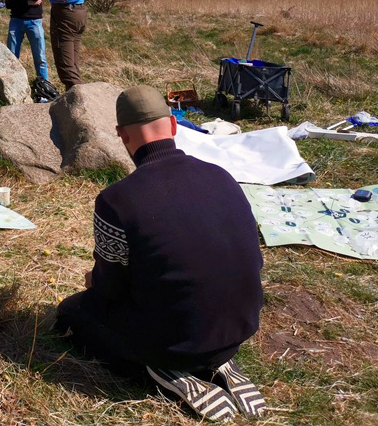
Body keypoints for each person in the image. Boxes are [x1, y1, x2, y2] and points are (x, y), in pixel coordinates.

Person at [56, 86, 265, 421]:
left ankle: (164, 370)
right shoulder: (222, 176)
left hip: (172, 343)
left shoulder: (116, 201)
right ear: (172, 125)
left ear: (122, 137)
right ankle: (217, 360)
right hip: (237, 328)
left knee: (72, 313)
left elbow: (111, 288)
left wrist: (94, 280)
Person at [4, 0, 51, 85]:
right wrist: (28, 2)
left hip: (34, 21)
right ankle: (12, 85)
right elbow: (8, 3)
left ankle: (44, 86)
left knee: (40, 56)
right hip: (16, 20)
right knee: (12, 56)